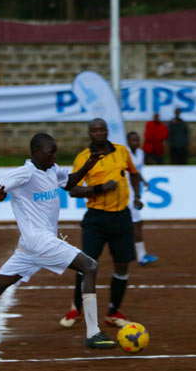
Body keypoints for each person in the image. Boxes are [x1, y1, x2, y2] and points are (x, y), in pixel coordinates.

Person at [0, 133, 117, 357]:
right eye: (50, 152)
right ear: (36, 153)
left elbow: (69, 183)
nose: (54, 156)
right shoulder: (25, 173)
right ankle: (93, 334)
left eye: (54, 151)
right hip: (40, 241)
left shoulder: (51, 169)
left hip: (31, 245)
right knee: (90, 266)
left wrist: (88, 165)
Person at [59, 118, 141, 329]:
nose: (98, 132)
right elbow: (73, 189)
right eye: (94, 130)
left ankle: (114, 312)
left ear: (107, 131)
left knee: (123, 264)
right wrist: (99, 188)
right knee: (86, 264)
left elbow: (133, 173)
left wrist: (137, 195)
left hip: (122, 217)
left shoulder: (122, 151)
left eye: (101, 129)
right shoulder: (84, 158)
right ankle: (76, 308)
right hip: (96, 218)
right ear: (89, 133)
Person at [126, 131, 158, 266]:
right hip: (127, 191)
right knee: (137, 222)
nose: (135, 142)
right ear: (127, 141)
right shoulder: (125, 153)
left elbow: (137, 172)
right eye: (132, 140)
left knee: (131, 223)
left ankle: (136, 253)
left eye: (137, 140)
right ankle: (141, 256)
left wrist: (143, 181)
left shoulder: (140, 153)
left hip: (135, 190)